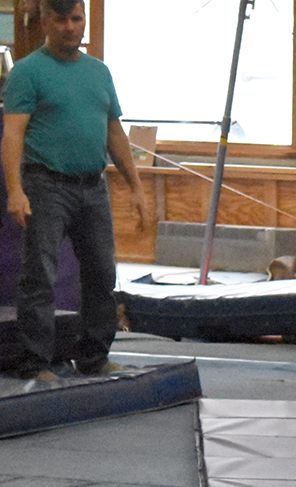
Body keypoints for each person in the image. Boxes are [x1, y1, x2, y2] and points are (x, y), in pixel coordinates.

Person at [1, 0, 149, 382]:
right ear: (46, 22)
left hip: (92, 186)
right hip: (45, 184)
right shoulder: (28, 71)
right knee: (40, 276)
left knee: (102, 272)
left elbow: (114, 131)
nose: (69, 27)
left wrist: (136, 186)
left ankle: (94, 357)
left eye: (76, 18)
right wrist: (15, 190)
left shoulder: (99, 72)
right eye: (60, 19)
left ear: (83, 21)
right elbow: (13, 134)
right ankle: (36, 362)